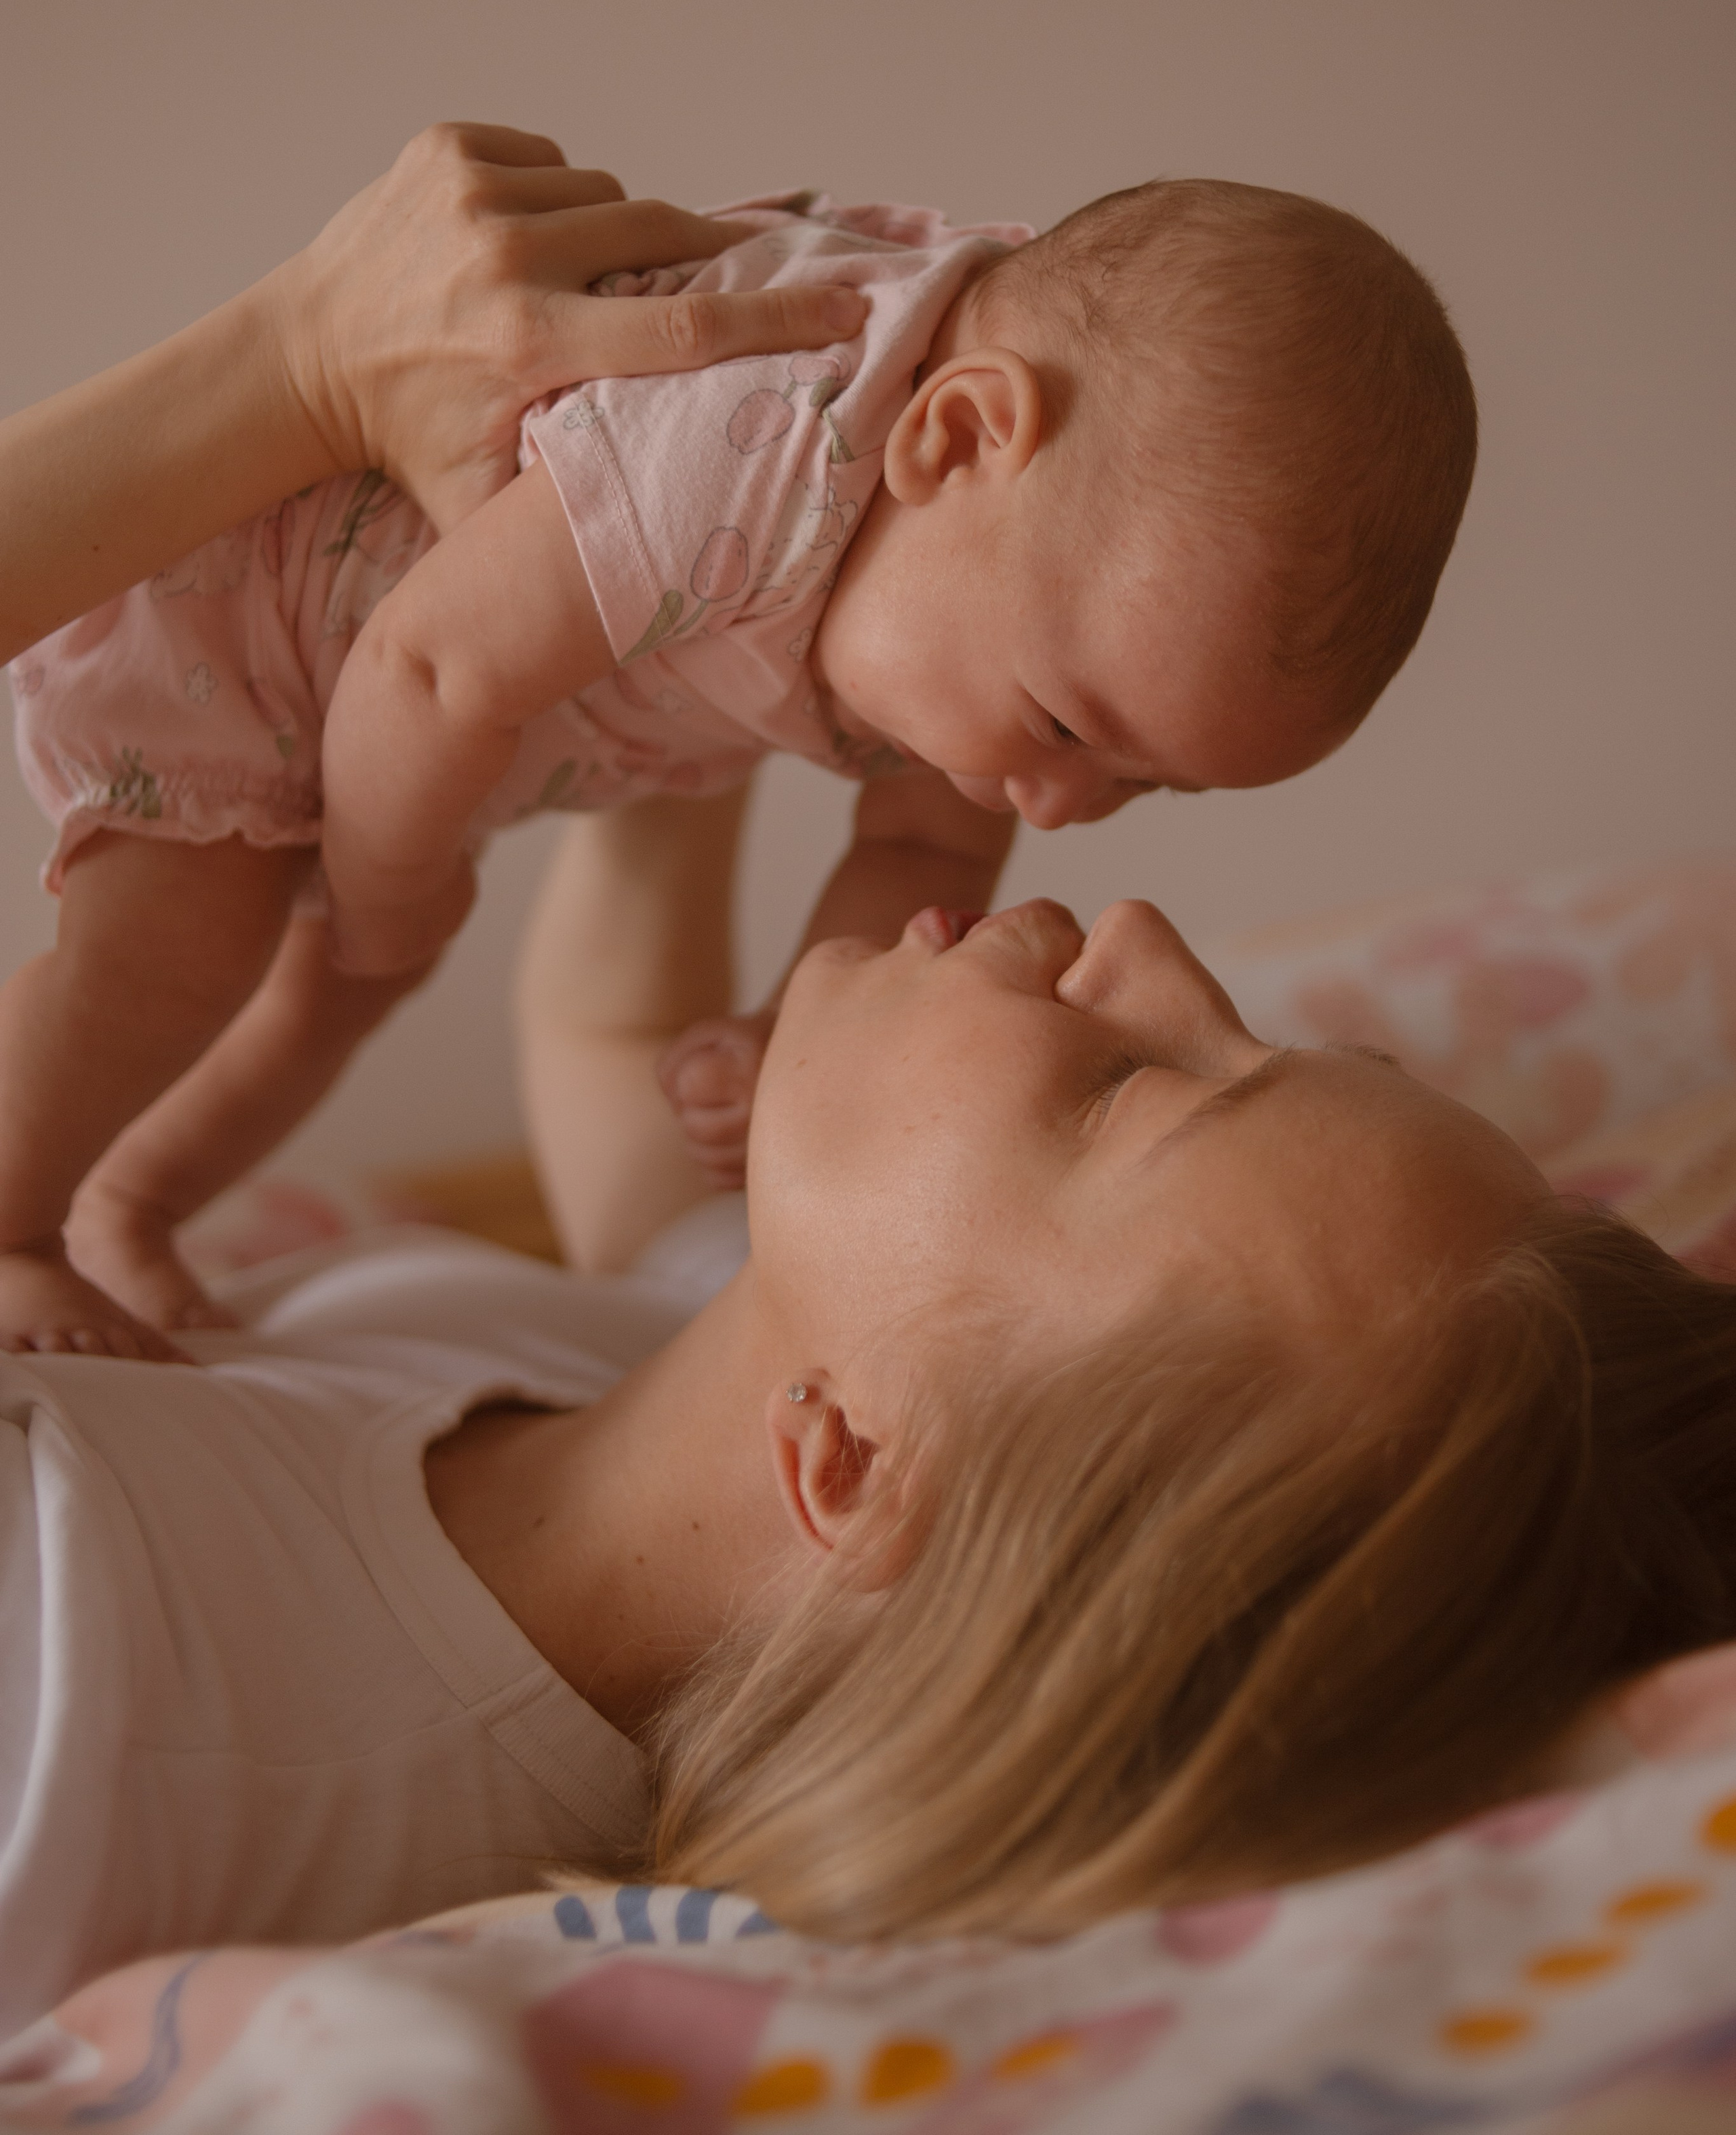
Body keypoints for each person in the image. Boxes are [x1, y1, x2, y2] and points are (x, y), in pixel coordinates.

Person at [1, 153, 1733, 2031]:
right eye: (1282, 1042)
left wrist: (297, 369)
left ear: (856, 1465)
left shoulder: (87, 1660)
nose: (1139, 929)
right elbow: (609, 1034)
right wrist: (718, 618)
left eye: (1146, 1096)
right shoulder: (704, 1425)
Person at [3, 165, 1476, 1346]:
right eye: (1066, 728)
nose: (1056, 806)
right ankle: (11, 1223)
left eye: (1144, 784)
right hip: (259, 618)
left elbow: (908, 866)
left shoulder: (989, 590)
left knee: (327, 1007)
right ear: (954, 441)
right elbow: (428, 659)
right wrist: (392, 894)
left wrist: (781, 1030)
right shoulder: (758, 444)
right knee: (180, 956)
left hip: (418, 717)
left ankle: (128, 1205)